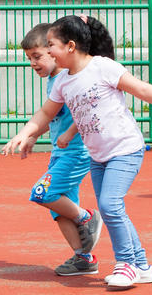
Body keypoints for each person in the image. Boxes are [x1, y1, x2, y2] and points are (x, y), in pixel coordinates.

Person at [3, 15, 152, 290]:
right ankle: (142, 265)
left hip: (125, 149)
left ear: (70, 46)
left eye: (52, 45)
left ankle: (126, 264)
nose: (48, 52)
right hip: (98, 156)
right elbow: (45, 113)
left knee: (109, 206)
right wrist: (24, 134)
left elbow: (141, 89)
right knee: (111, 209)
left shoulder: (102, 67)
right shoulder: (62, 82)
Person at [18, 24, 103, 277]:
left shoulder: (70, 78)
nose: (33, 63)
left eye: (38, 56)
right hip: (60, 153)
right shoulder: (54, 82)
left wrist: (69, 134)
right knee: (59, 207)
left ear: (55, 51)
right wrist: (33, 136)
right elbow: (52, 117)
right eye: (29, 58)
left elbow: (87, 111)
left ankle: (87, 217)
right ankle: (83, 258)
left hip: (77, 153)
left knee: (42, 193)